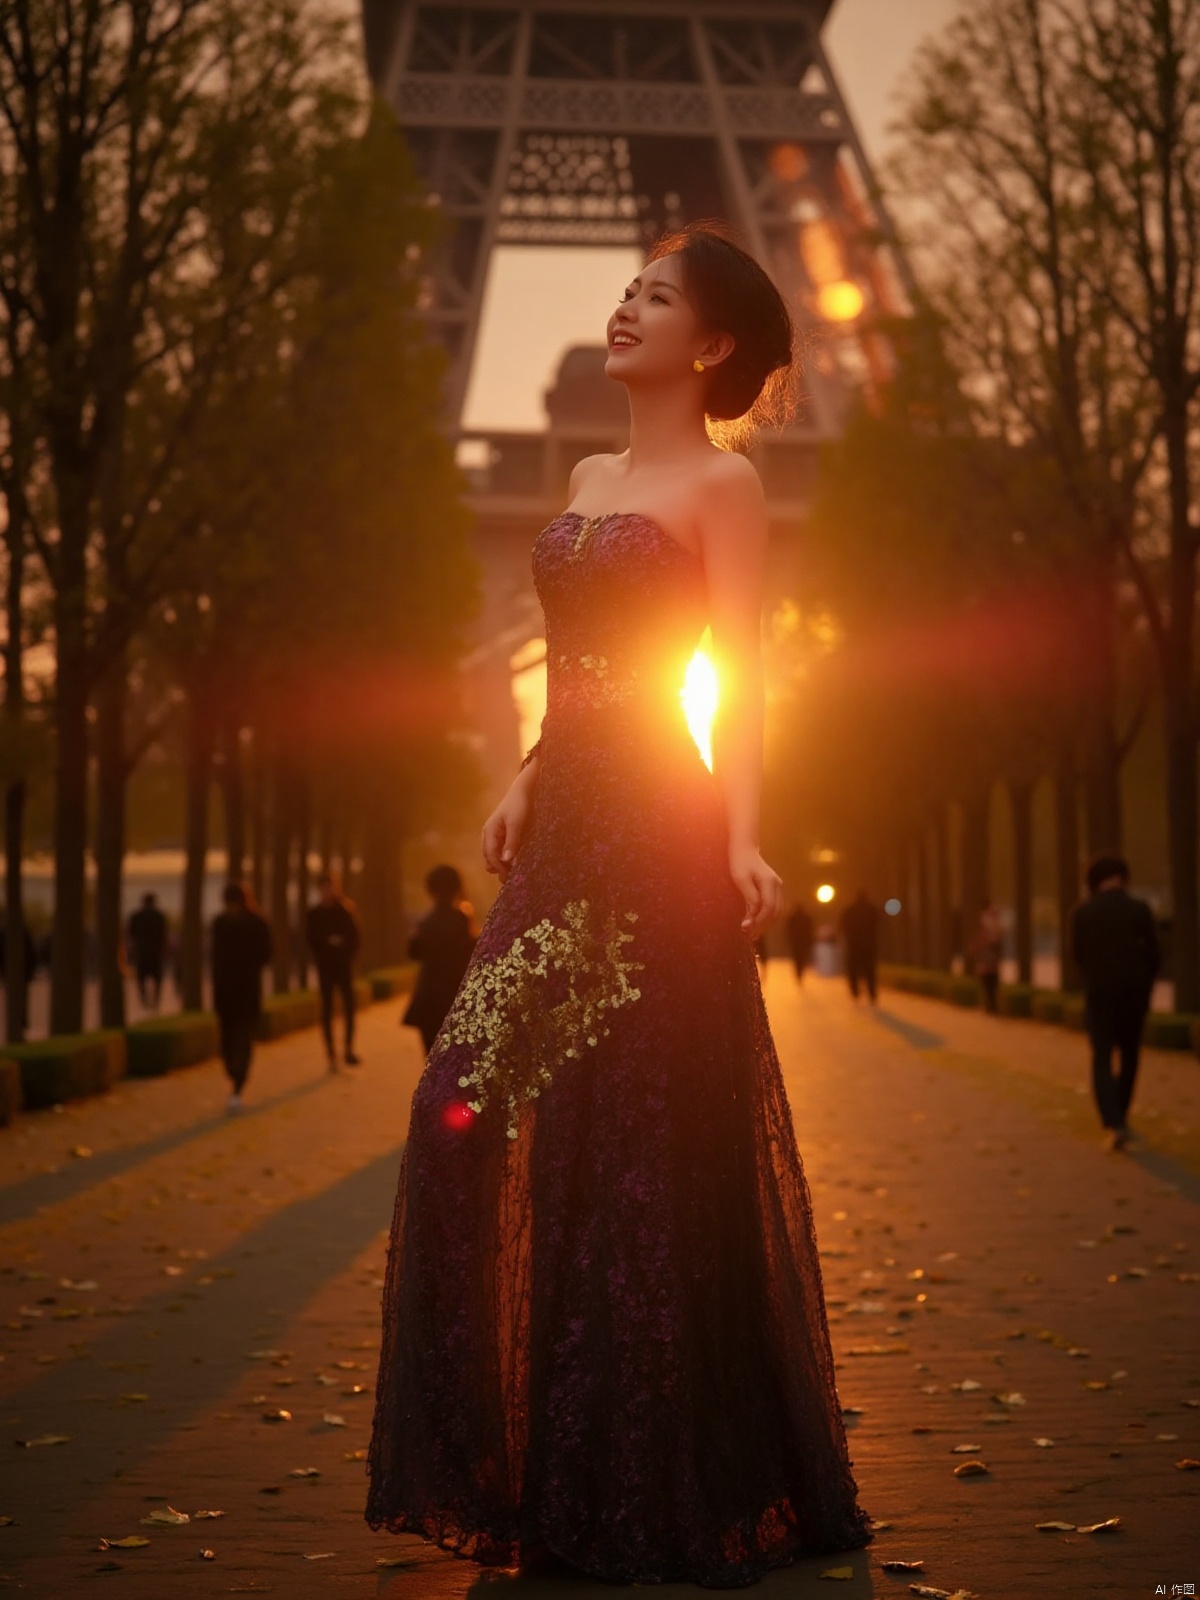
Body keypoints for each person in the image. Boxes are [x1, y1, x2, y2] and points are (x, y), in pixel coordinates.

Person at [367, 224, 868, 1584]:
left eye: (658, 296)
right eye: (628, 289)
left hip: (657, 821)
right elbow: (577, 667)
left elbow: (741, 674)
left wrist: (749, 839)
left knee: (638, 1137)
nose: (627, 306)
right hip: (568, 820)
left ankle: (646, 1480)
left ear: (710, 344)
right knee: (462, 1101)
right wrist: (531, 771)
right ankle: (538, 1458)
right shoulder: (591, 473)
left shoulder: (724, 489)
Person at [1070, 854, 1160, 1152]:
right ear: (1122, 877)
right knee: (1130, 1055)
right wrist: (1145, 984)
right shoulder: (1139, 909)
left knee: (1102, 1057)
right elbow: (1155, 955)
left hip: (1099, 994)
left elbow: (1077, 955)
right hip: (1133, 993)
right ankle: (1122, 1114)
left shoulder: (1083, 913)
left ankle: (1112, 1122)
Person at [402, 864, 478, 1057]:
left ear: (430, 890)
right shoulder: (462, 920)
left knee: (431, 1058)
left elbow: (413, 953)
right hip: (455, 997)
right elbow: (472, 954)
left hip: (428, 999)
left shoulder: (425, 922)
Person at [210, 882, 272, 1112]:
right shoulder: (220, 923)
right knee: (228, 1039)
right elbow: (215, 958)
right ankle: (233, 1073)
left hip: (244, 990)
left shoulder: (256, 923)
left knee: (243, 1038)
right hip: (228, 991)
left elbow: (266, 953)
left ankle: (238, 1085)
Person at [306, 873, 362, 1071]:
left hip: (344, 966)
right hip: (325, 967)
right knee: (327, 1009)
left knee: (349, 1008)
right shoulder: (314, 914)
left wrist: (343, 949)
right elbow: (311, 940)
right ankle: (330, 1053)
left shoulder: (345, 911)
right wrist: (327, 947)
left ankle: (348, 1048)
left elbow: (355, 938)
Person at [127, 892, 169, 1011]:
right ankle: (155, 1000)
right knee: (157, 979)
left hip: (141, 952)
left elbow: (131, 935)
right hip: (156, 952)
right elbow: (164, 935)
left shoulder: (136, 917)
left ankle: (144, 1000)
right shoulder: (159, 917)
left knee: (141, 978)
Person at [840, 890, 879, 1003]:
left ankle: (855, 990)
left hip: (853, 945)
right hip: (869, 945)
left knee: (853, 969)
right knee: (870, 970)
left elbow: (843, 926)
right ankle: (872, 992)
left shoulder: (850, 910)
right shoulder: (871, 909)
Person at [970, 904, 1005, 1014]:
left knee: (992, 988)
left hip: (992, 967)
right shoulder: (984, 934)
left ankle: (992, 1009)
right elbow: (973, 948)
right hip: (985, 967)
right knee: (988, 988)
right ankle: (990, 1008)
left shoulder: (997, 933)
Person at [785, 901, 815, 986]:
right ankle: (800, 972)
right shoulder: (806, 918)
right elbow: (810, 930)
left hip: (795, 942)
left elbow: (788, 931)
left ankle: (798, 972)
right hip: (803, 942)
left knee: (797, 958)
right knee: (802, 958)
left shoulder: (791, 918)